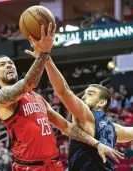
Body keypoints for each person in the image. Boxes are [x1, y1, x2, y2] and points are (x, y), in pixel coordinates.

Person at [0, 23, 123, 171]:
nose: (9, 65)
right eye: (2, 65)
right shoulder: (2, 98)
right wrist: (44, 53)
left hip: (54, 164)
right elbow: (28, 83)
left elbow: (66, 127)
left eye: (10, 63)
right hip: (29, 168)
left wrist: (97, 144)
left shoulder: (38, 98)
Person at [25, 32, 133, 171]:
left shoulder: (86, 115)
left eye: (90, 94)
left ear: (101, 103)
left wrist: (46, 57)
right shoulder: (115, 129)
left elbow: (64, 91)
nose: (83, 96)